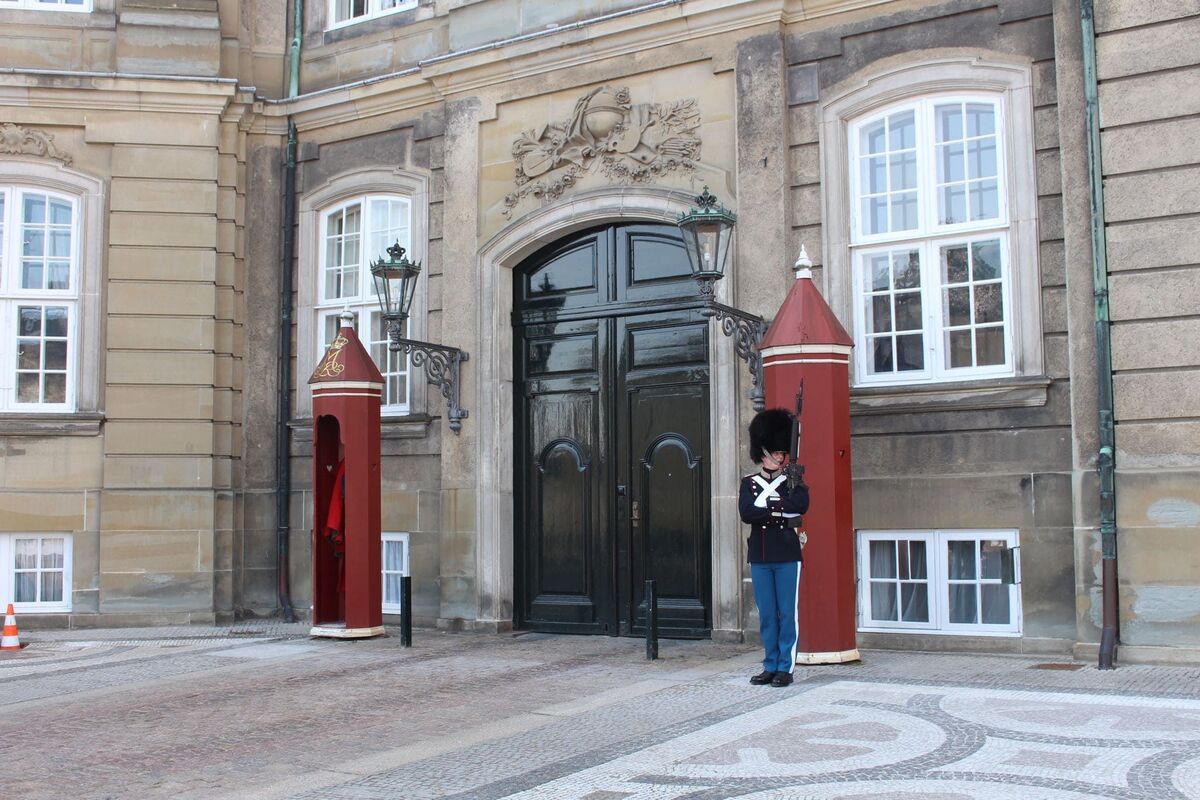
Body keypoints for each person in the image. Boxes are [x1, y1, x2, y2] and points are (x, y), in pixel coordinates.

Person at [739, 408, 809, 687]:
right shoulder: (749, 484)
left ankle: (785, 667)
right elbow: (747, 513)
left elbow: (800, 507)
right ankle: (770, 664)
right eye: (777, 452)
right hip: (760, 555)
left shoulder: (793, 481)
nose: (781, 456)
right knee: (767, 614)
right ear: (764, 451)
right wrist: (779, 511)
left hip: (787, 554)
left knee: (787, 613)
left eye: (783, 452)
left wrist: (769, 510)